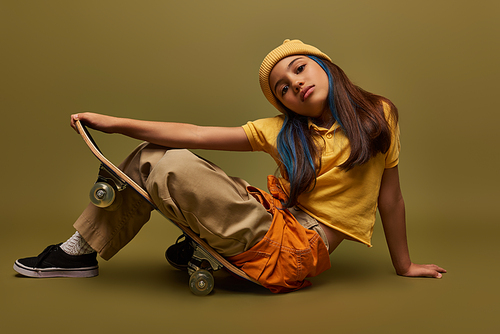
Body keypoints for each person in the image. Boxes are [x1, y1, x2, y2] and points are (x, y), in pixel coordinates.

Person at [13, 39, 446, 293]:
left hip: (294, 249)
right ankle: (78, 252)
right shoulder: (283, 132)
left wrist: (404, 265)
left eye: (300, 69)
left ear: (326, 66)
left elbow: (391, 198)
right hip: (266, 218)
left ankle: (208, 251)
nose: (297, 83)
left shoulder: (378, 115)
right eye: (284, 88)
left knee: (172, 165)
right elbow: (197, 133)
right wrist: (116, 124)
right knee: (152, 153)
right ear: (284, 103)